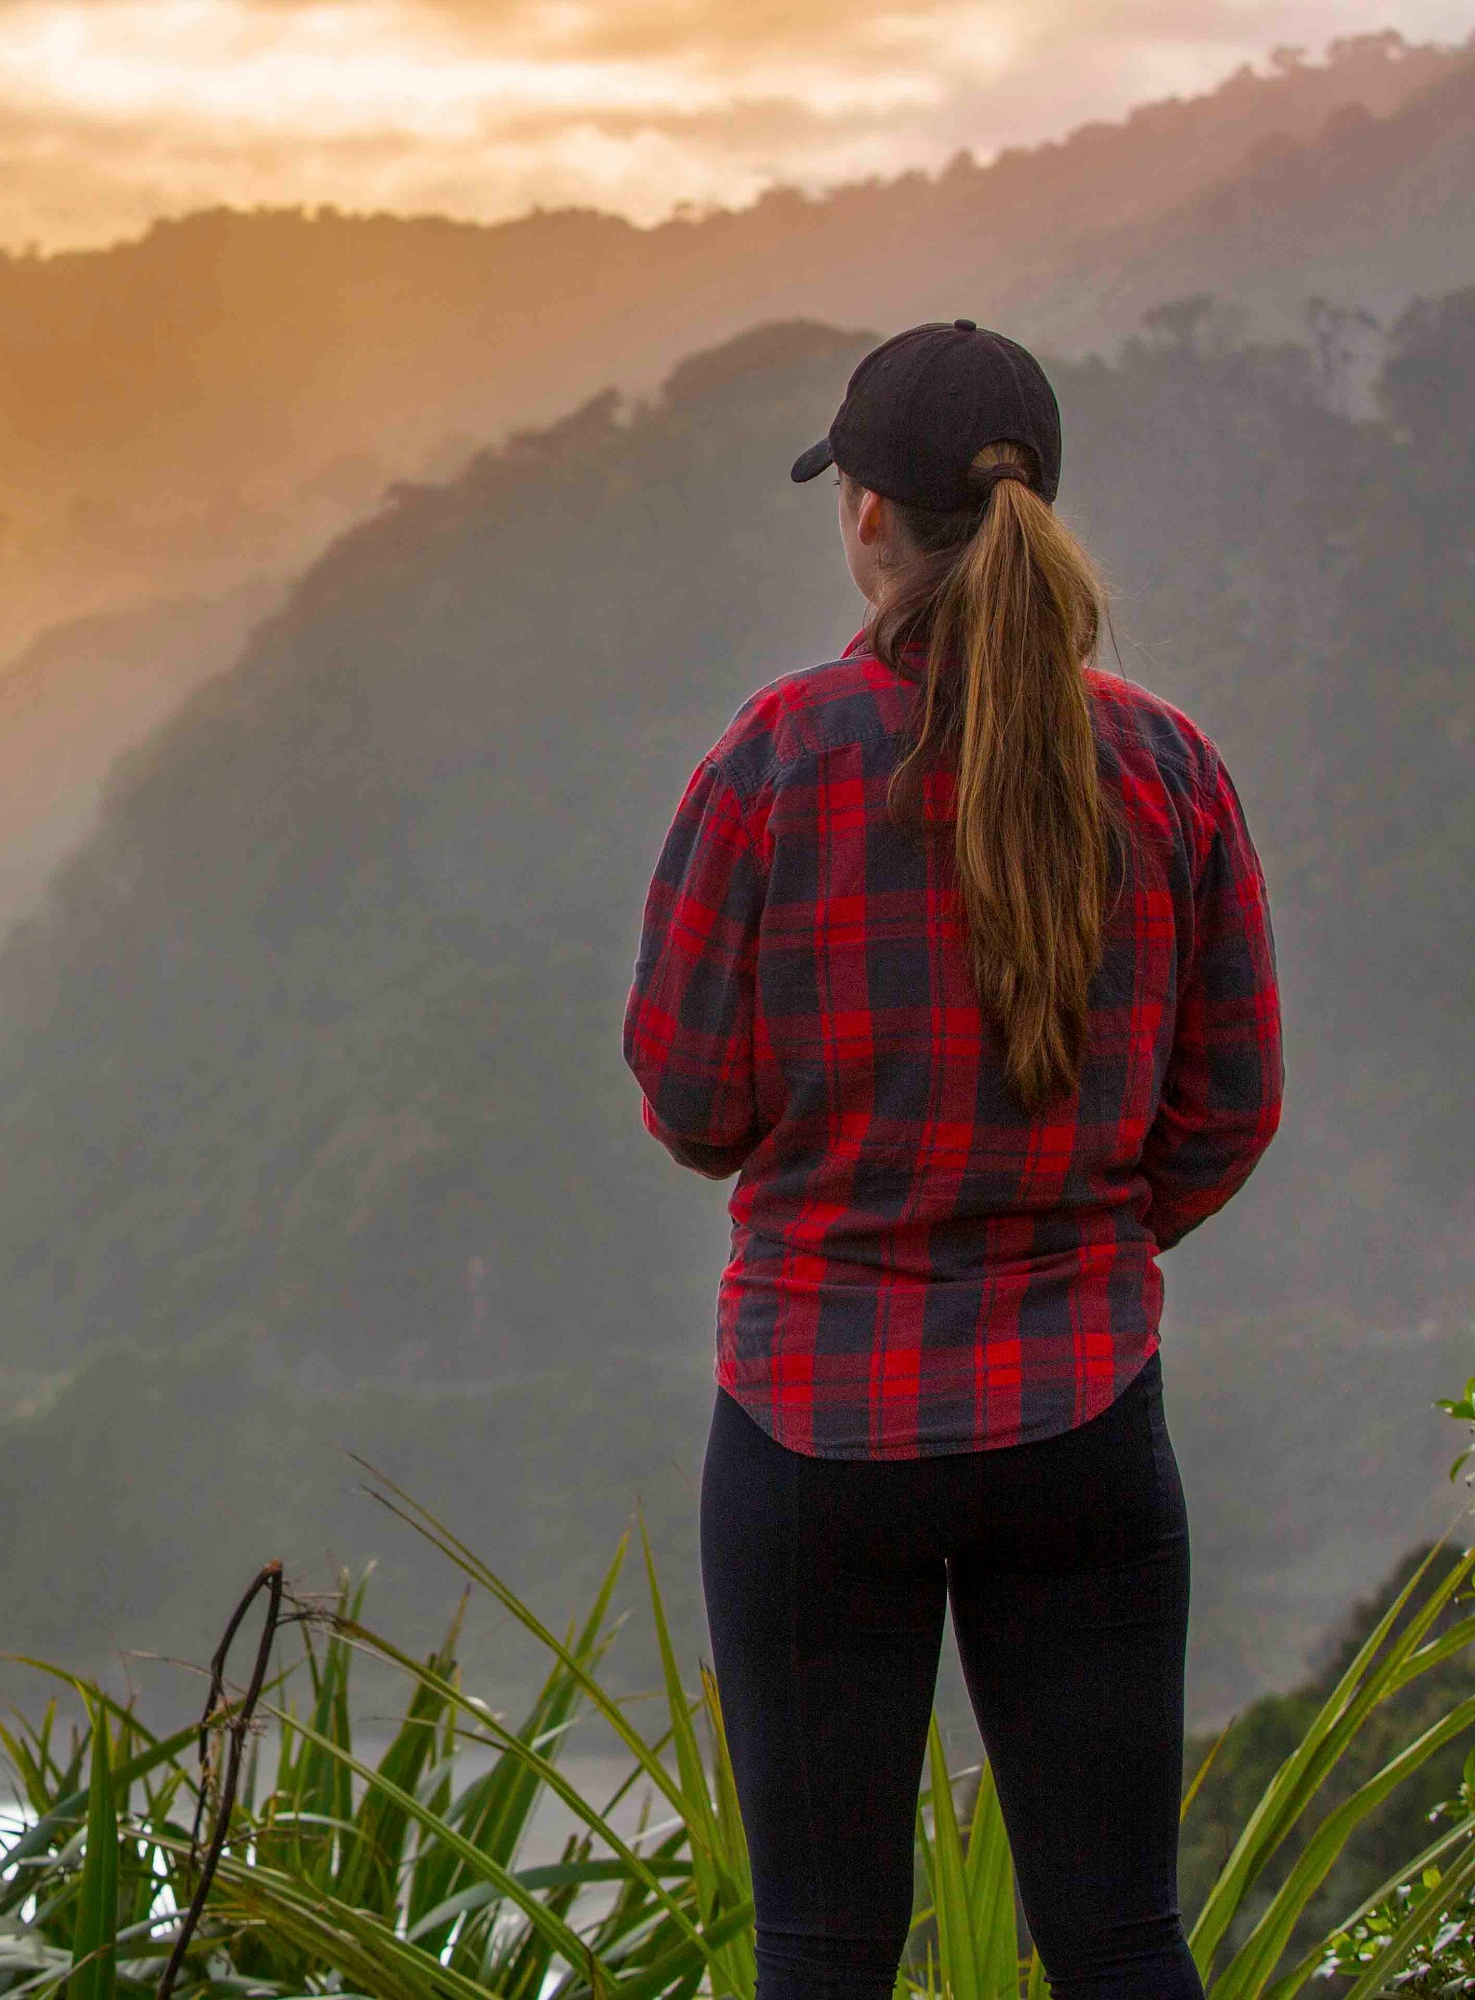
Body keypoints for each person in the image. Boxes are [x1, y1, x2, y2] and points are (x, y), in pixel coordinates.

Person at [622, 320, 1284, 2000]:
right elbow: (1228, 1104)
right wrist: (1086, 1241)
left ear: (865, 518)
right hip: (1080, 1417)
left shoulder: (777, 762)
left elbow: (692, 1104)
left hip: (810, 1432)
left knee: (825, 1952)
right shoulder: (1168, 769)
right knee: (1121, 1938)